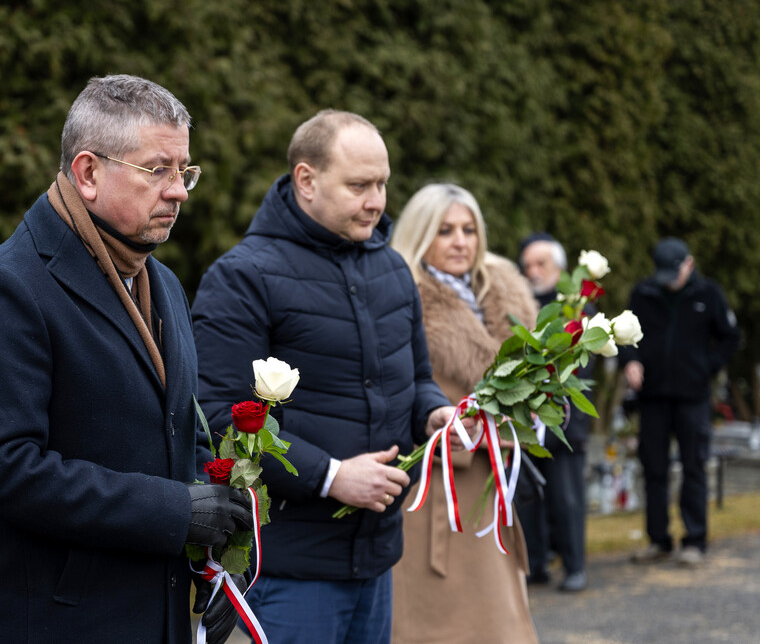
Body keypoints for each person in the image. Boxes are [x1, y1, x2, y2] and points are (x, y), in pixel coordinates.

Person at [0, 75, 253, 643]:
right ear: (87, 173)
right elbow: (1, 470)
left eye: (185, 171)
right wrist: (175, 512)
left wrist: (215, 546)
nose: (178, 190)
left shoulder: (165, 284)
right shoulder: (6, 289)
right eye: (159, 170)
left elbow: (180, 434)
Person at [192, 110, 456, 644]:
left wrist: (434, 410)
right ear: (306, 181)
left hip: (377, 557)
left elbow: (417, 377)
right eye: (359, 185)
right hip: (292, 568)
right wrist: (332, 475)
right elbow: (219, 420)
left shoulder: (392, 269)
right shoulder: (242, 278)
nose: (377, 201)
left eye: (382, 183)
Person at [389, 183, 540, 643]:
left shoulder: (505, 296)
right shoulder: (401, 298)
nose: (460, 241)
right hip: (432, 493)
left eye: (469, 229)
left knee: (500, 624)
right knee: (439, 625)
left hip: (489, 490)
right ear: (420, 235)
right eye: (445, 230)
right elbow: (395, 394)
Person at [620, 237, 739, 567]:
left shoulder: (709, 294)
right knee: (654, 469)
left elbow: (731, 338)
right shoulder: (643, 294)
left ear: (689, 264)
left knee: (693, 468)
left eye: (674, 273)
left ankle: (694, 540)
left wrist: (707, 368)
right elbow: (623, 336)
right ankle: (658, 540)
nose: (669, 281)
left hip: (693, 398)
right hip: (653, 399)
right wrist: (630, 361)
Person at [516, 233, 592, 592]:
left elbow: (584, 367)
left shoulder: (576, 310)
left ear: (560, 268)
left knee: (567, 499)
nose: (532, 271)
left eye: (540, 264)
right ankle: (535, 564)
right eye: (527, 264)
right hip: (525, 422)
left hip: (565, 422)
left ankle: (575, 565)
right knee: (528, 497)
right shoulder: (518, 305)